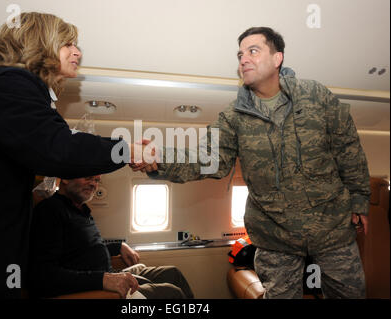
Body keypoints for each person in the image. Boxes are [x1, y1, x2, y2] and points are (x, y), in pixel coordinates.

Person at [132, 27, 371, 299]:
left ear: (277, 58)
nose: (243, 59)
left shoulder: (316, 96)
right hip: (275, 238)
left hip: (332, 230)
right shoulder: (233, 116)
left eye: (253, 51)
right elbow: (208, 159)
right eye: (240, 54)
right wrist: (160, 156)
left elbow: (348, 147)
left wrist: (360, 200)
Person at [0, 12, 139, 298]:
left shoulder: (10, 90)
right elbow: (60, 149)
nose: (77, 52)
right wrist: (127, 150)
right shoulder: (10, 82)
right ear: (41, 44)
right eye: (68, 43)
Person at [29, 175, 194, 299]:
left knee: (173, 274)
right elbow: (43, 276)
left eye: (96, 180)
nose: (93, 184)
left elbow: (85, 249)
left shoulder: (81, 210)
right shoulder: (50, 211)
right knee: (172, 293)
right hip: (94, 288)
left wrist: (118, 246)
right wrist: (102, 279)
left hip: (108, 275)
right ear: (65, 178)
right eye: (88, 178)